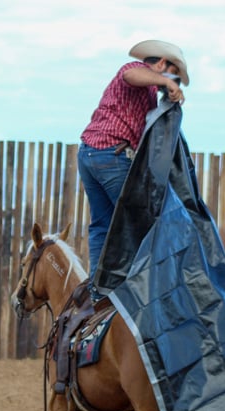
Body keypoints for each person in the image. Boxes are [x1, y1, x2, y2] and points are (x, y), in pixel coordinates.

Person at [78, 39, 189, 299]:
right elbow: (131, 74)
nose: (173, 79)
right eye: (172, 72)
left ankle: (98, 293)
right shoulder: (134, 68)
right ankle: (138, 294)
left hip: (89, 153)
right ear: (161, 63)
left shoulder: (149, 93)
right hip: (109, 156)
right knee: (137, 223)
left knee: (102, 226)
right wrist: (167, 82)